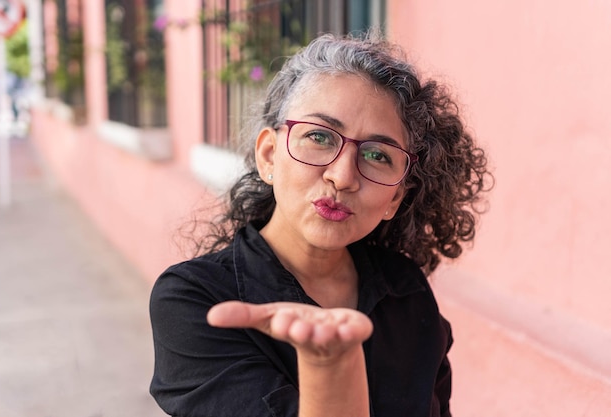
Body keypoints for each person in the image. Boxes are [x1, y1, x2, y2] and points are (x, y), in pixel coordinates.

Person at [149, 31, 492, 417]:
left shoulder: (406, 290)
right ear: (268, 156)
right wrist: (328, 365)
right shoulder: (194, 299)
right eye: (319, 136)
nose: (343, 176)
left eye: (378, 155)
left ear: (395, 197)